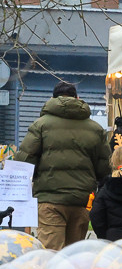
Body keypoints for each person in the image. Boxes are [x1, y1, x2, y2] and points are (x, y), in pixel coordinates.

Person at [15, 81, 111, 250]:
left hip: (50, 201)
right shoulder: (95, 129)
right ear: (77, 98)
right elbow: (104, 169)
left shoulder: (41, 125)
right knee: (72, 257)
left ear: (53, 98)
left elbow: (23, 162)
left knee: (51, 255)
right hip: (81, 201)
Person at [90, 145, 122, 240]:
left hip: (113, 241)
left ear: (112, 163)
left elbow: (95, 215)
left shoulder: (105, 189)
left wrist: (104, 236)